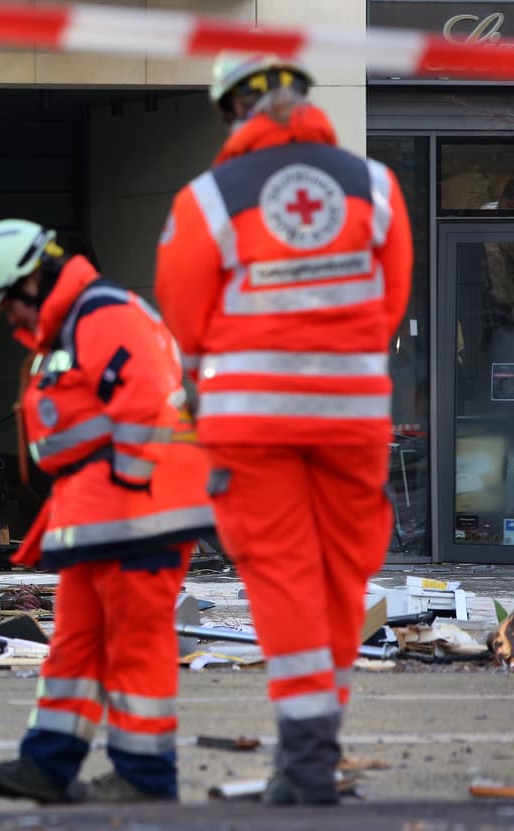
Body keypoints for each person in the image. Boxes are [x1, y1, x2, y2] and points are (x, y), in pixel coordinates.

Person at [154, 54, 413, 805]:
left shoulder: (209, 197)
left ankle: (305, 758)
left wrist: (209, 379)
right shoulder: (376, 185)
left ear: (233, 110)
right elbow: (391, 299)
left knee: (282, 575)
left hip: (251, 424)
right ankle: (312, 748)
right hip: (352, 419)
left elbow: (183, 311)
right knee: (340, 575)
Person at [0, 219, 214, 804]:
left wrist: (124, 491)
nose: (10, 319)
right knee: (77, 643)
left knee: (135, 646)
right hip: (104, 521)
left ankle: (145, 778)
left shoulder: (103, 316)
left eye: (7, 304)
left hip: (138, 522)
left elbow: (147, 402)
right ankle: (47, 766)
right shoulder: (75, 325)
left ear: (32, 280)